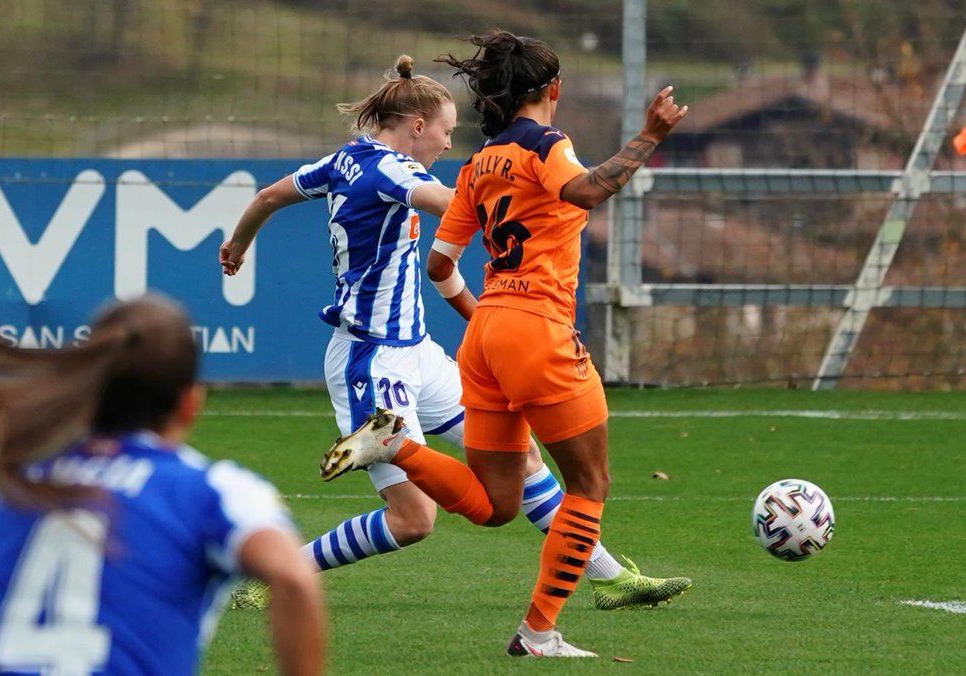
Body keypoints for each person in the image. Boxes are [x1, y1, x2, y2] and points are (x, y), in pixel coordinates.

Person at [220, 55, 688, 611]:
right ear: (417, 125)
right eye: (444, 132)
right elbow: (456, 203)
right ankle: (275, 574)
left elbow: (268, 197)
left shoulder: (343, 161)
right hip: (372, 361)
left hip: (419, 355)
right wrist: (516, 198)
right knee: (414, 519)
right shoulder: (394, 170)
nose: (446, 144)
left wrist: (237, 245)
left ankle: (610, 578)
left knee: (525, 460)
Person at [0, 293, 325, 675]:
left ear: (92, 390)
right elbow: (294, 579)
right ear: (190, 403)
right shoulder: (211, 491)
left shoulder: (26, 487)